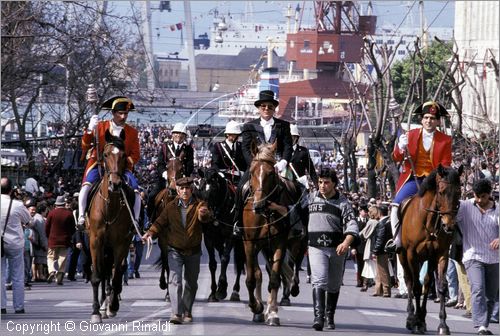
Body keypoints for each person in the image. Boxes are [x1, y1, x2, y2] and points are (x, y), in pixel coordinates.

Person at [268, 168, 358, 331]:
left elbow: (352, 225)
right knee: (319, 280)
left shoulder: (343, 203)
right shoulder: (310, 199)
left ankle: (330, 316)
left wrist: (346, 242)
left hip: (337, 249)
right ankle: (319, 317)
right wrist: (276, 207)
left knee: (334, 284)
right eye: (320, 182)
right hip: (316, 247)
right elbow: (293, 212)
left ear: (334, 184)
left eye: (327, 183)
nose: (322, 186)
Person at [141, 177, 213, 324]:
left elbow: (206, 217)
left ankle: (187, 310)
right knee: (175, 281)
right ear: (178, 191)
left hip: (193, 251)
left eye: (187, 188)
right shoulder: (170, 207)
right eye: (182, 189)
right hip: (174, 250)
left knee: (191, 283)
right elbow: (160, 222)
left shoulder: (200, 204)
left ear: (191, 190)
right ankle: (176, 313)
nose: (185, 191)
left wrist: (204, 214)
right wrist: (150, 232)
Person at [385, 101, 452, 253]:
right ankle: (396, 240)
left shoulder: (445, 140)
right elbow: (396, 158)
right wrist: (401, 148)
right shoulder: (410, 135)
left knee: (451, 206)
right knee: (395, 206)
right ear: (421, 119)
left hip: (435, 181)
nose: (429, 121)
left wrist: (438, 177)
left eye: (433, 118)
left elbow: (446, 163)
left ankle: (454, 239)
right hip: (413, 178)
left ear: (438, 121)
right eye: (426, 117)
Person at [233, 90, 293, 236]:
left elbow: (288, 147)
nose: (267, 109)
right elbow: (246, 149)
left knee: (295, 188)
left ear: (274, 109)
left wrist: (283, 163)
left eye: (270, 106)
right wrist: (254, 164)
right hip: (256, 165)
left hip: (277, 165)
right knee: (241, 187)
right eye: (264, 106)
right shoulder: (249, 126)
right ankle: (238, 223)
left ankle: (295, 223)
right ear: (259, 108)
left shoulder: (283, 125)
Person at [77, 96, 141, 229]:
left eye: (126, 114)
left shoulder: (132, 132)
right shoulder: (100, 126)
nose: (123, 116)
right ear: (113, 113)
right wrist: (89, 130)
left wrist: (122, 163)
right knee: (85, 187)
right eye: (120, 113)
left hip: (122, 168)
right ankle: (81, 216)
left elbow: (136, 155)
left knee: (136, 192)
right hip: (99, 164)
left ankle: (135, 221)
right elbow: (85, 145)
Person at [456, 179, 499, 335]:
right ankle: (480, 325)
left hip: (494, 258)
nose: (480, 200)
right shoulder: (465, 206)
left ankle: (484, 325)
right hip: (472, 255)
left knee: (491, 295)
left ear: (489, 194)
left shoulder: (498, 210)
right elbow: (449, 217)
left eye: (483, 196)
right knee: (478, 288)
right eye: (477, 196)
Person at [147, 122, 194, 220]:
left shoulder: (188, 149)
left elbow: (190, 166)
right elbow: (160, 163)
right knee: (152, 196)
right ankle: (150, 220)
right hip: (165, 179)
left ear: (184, 136)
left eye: (181, 134)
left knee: (197, 197)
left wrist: (183, 176)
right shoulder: (165, 147)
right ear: (172, 135)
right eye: (176, 133)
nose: (179, 136)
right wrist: (165, 173)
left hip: (182, 180)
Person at [1, 177, 32, 314]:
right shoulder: (18, 205)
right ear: (12, 190)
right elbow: (29, 221)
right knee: (17, 276)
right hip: (15, 242)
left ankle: (1, 306)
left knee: (0, 275)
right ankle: (18, 306)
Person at [45, 196, 76, 285]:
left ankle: (51, 271)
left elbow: (47, 227)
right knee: (62, 258)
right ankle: (59, 277)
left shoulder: (51, 213)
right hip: (65, 240)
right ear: (64, 203)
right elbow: (73, 228)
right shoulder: (69, 214)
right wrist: (69, 236)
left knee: (50, 257)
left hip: (52, 240)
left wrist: (48, 236)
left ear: (56, 204)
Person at [210, 120, 247, 184]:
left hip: (240, 180)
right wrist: (220, 174)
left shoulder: (241, 146)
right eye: (233, 135)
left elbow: (245, 163)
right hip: (224, 180)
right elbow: (215, 164)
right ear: (227, 134)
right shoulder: (218, 146)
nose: (236, 137)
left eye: (237, 135)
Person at [289, 124, 318, 189]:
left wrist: (317, 186)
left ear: (296, 138)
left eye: (292, 137)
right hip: (283, 187)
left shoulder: (303, 152)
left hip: (299, 186)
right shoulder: (280, 151)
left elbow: (311, 170)